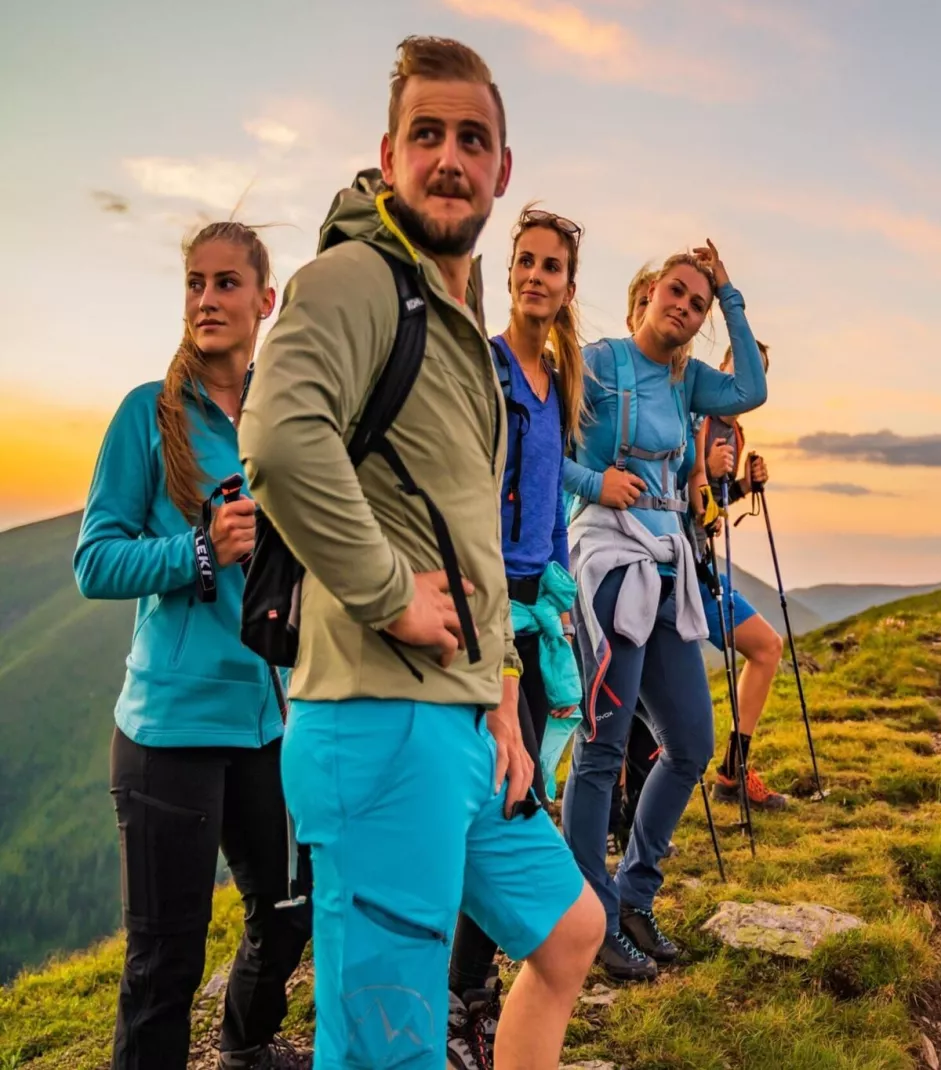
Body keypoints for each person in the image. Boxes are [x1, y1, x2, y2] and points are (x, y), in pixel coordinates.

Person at [238, 37, 603, 1070]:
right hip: (377, 722)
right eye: (428, 135)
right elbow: (276, 437)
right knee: (385, 1051)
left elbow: (465, 530)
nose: (450, 157)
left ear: (503, 169)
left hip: (458, 720)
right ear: (388, 155)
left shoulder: (451, 319)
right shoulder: (355, 278)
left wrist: (497, 689)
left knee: (569, 931)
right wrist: (391, 593)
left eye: (472, 139)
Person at [74, 221, 311, 1070]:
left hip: (269, 723)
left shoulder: (282, 420)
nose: (207, 300)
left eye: (226, 284)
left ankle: (246, 1047)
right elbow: (94, 561)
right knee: (164, 966)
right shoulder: (149, 413)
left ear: (265, 301)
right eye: (195, 284)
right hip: (168, 731)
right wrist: (200, 549)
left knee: (288, 914)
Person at [562, 245, 767, 982]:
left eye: (698, 303)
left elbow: (751, 389)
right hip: (610, 565)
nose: (684, 307)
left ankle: (633, 896)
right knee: (603, 752)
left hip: (667, 568)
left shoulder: (687, 381)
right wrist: (593, 479)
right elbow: (532, 448)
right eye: (676, 292)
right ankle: (589, 919)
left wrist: (733, 293)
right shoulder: (596, 364)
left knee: (690, 743)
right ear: (648, 293)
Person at [444, 202, 589, 1070]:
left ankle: (485, 989)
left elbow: (551, 506)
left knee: (519, 790)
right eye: (524, 263)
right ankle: (467, 1003)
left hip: (541, 613)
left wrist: (565, 588)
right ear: (508, 276)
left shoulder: (557, 385)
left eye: (551, 267)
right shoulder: (488, 370)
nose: (536, 277)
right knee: (500, 796)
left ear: (570, 288)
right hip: (486, 616)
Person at [688, 342, 788, 810]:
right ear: (723, 368)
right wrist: (704, 474)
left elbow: (714, 505)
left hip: (702, 568)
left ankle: (733, 771)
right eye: (743, 365)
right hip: (681, 569)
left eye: (759, 371)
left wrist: (744, 485)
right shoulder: (696, 417)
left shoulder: (734, 432)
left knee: (767, 647)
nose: (749, 377)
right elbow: (673, 493)